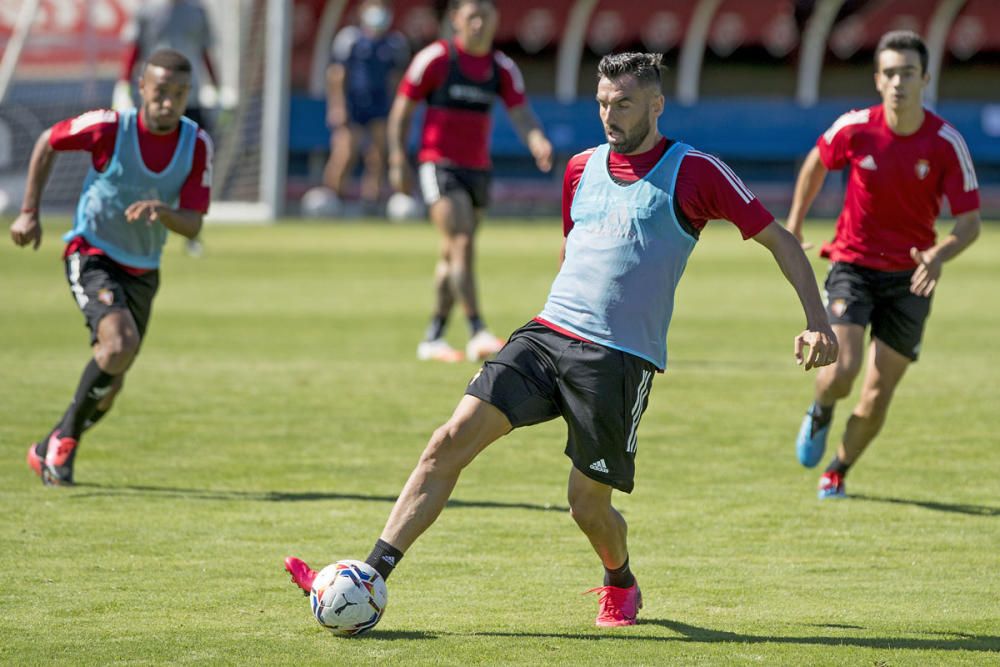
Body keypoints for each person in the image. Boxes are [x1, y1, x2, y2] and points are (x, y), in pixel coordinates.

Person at [285, 52, 837, 629]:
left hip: (619, 360)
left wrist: (817, 321)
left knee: (587, 506)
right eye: (602, 103)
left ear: (656, 104)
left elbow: (780, 240)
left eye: (623, 103)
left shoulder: (695, 171)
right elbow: (574, 249)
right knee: (446, 442)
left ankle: (620, 578)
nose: (610, 115)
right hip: (547, 335)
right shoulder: (579, 168)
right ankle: (370, 575)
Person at [787, 30, 981, 499]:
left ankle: (837, 469)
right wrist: (793, 225)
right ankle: (820, 407)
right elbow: (816, 160)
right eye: (890, 73)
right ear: (878, 79)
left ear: (925, 78)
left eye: (908, 73)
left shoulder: (945, 143)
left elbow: (970, 223)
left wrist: (939, 255)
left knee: (876, 398)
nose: (899, 82)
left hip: (912, 279)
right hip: (853, 266)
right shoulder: (855, 127)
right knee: (842, 370)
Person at [11, 49, 213, 486]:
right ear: (142, 88)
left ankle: (49, 445)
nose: (169, 101)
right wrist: (30, 211)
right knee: (119, 346)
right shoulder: (109, 126)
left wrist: (164, 211)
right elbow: (48, 140)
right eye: (161, 91)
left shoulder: (195, 143)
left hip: (143, 268)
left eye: (180, 93)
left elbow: (194, 224)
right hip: (92, 252)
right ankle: (63, 449)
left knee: (111, 380)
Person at [387, 0, 554, 363]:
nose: (479, 23)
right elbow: (402, 109)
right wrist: (398, 158)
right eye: (472, 16)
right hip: (439, 165)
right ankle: (477, 329)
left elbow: (521, 113)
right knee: (461, 241)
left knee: (451, 254)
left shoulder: (500, 67)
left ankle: (433, 336)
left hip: (477, 169)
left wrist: (537, 141)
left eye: (486, 16)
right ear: (456, 20)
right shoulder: (437, 59)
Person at [114, 0, 218, 257]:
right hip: (153, 101)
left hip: (188, 98)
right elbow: (135, 49)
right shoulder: (147, 10)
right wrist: (123, 85)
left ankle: (190, 229)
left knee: (192, 162)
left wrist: (216, 86)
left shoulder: (198, 12)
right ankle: (129, 221)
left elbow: (204, 52)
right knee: (142, 161)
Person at [323, 0, 409, 211]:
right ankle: (332, 198)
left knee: (378, 155)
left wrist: (397, 112)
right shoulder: (350, 38)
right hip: (353, 105)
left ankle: (372, 201)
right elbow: (337, 75)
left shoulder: (395, 43)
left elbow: (398, 80)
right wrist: (337, 106)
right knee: (345, 152)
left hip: (380, 106)